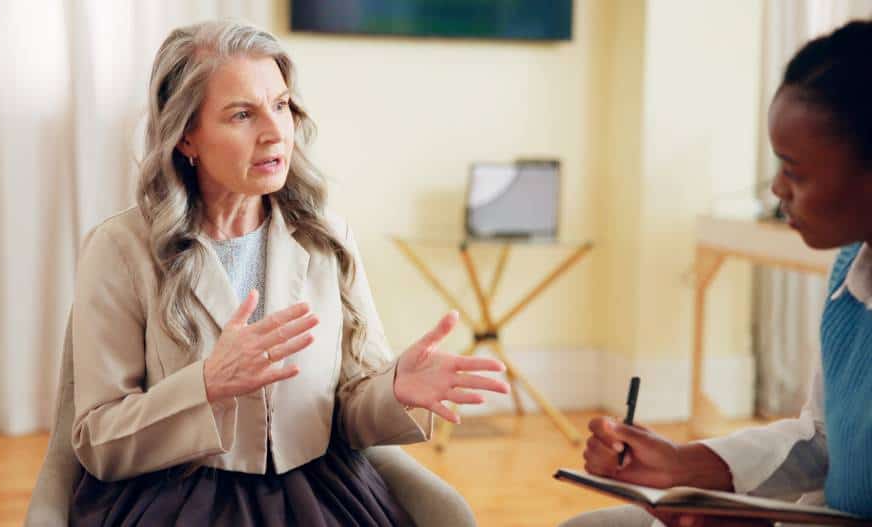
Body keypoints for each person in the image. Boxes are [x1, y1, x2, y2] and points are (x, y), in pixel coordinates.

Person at [66, 20, 510, 526]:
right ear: (186, 136)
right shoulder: (121, 250)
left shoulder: (326, 239)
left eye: (280, 106)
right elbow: (96, 441)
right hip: (178, 498)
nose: (275, 130)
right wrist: (207, 384)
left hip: (319, 492)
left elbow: (345, 412)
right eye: (242, 114)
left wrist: (394, 391)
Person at [562, 19, 872, 527]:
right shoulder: (850, 273)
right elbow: (825, 439)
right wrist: (684, 464)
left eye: (794, 171)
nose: (776, 189)